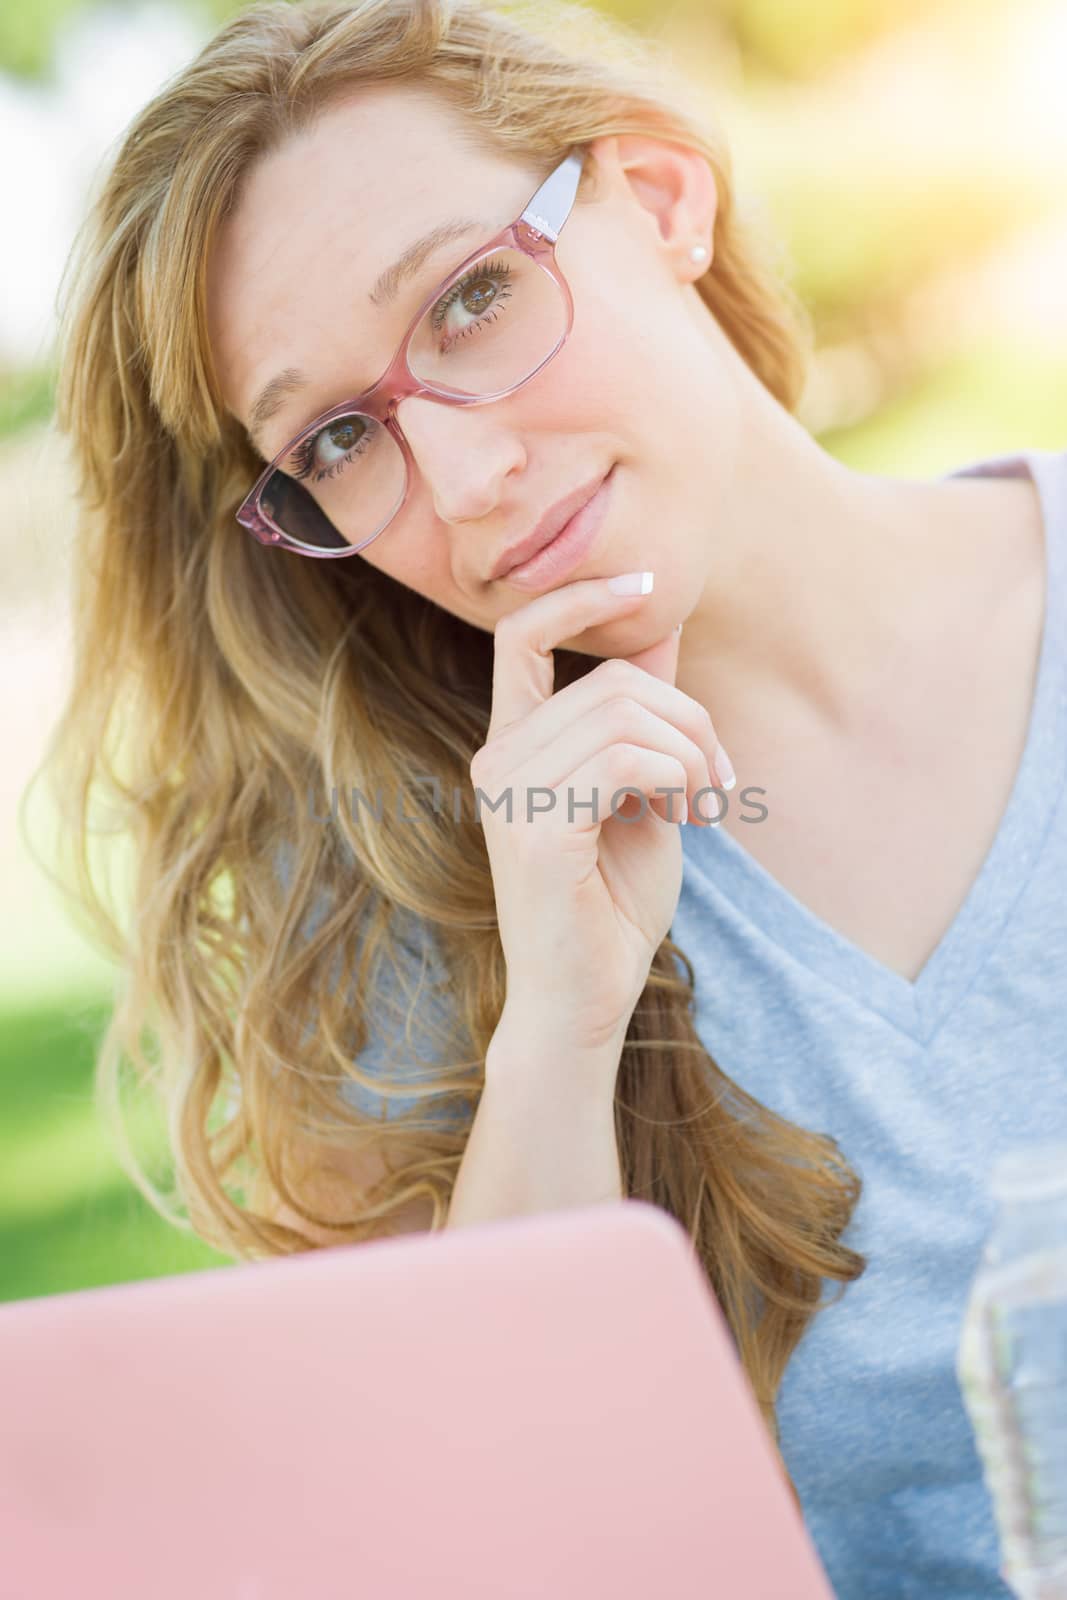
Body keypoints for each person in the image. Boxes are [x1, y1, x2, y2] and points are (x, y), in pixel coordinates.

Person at [34, 0, 1065, 1595]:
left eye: (473, 298)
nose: (462, 486)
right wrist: (564, 1026)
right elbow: (498, 1560)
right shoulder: (421, 936)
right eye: (344, 436)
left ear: (661, 201)